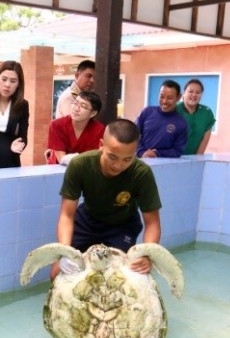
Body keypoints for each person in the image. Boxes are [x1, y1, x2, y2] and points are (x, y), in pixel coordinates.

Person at [51, 118, 162, 279]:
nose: (118, 165)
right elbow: (67, 215)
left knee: (118, 277)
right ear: (101, 145)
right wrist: (64, 252)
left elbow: (152, 223)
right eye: (113, 157)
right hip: (87, 221)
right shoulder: (80, 165)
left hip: (122, 225)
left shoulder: (142, 173)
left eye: (127, 159)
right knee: (57, 272)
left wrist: (147, 256)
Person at [45, 91, 105, 165]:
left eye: (83, 106)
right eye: (75, 103)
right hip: (57, 169)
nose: (76, 109)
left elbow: (92, 158)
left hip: (84, 170)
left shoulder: (98, 129)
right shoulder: (57, 125)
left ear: (93, 113)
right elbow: (62, 159)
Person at [135, 80, 188, 158]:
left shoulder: (181, 123)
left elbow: (177, 151)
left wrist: (157, 153)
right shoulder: (147, 112)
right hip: (139, 161)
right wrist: (141, 152)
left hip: (163, 166)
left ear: (178, 97)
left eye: (169, 98)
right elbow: (131, 136)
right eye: (162, 96)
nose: (164, 101)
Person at [176, 78, 216, 154]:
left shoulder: (206, 113)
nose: (194, 95)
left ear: (201, 95)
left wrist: (196, 160)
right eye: (190, 91)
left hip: (193, 159)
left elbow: (204, 140)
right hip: (170, 158)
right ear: (184, 93)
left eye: (198, 92)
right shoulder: (174, 110)